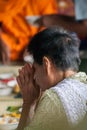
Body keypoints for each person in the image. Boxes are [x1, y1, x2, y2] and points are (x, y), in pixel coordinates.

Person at [16, 27, 87, 130]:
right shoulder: (83, 80)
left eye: (35, 68)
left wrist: (28, 103)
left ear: (46, 64)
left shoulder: (53, 99)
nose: (34, 76)